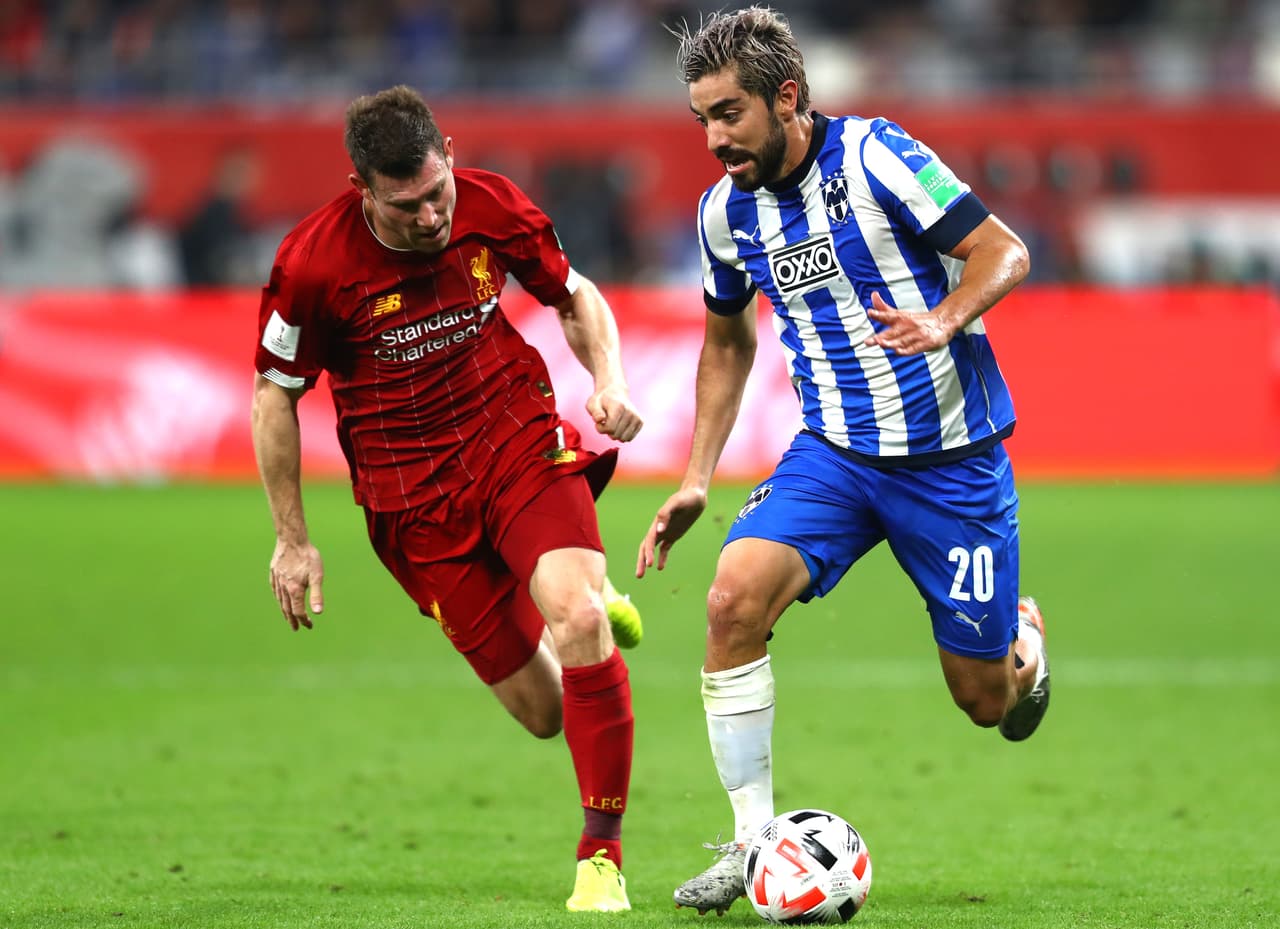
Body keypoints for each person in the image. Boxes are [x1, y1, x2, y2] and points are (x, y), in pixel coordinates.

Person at [635, 7, 1051, 916]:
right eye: (702, 118)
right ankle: (750, 846)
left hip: (952, 462)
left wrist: (943, 319)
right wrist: (697, 476)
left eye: (731, 113)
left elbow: (1002, 251)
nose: (715, 138)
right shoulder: (724, 215)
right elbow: (727, 345)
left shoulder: (875, 157)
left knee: (987, 703)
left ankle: (1021, 645)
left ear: (787, 97)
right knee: (731, 597)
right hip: (834, 456)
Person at [250, 84, 643, 913]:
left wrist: (606, 379)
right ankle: (575, 587)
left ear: (451, 155)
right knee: (544, 711)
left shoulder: (492, 203)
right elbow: (274, 395)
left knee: (577, 622)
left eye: (436, 193)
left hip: (512, 434)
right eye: (405, 205)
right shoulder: (311, 265)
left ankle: (600, 854)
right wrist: (293, 539)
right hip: (412, 499)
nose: (430, 216)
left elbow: (574, 295)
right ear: (363, 189)